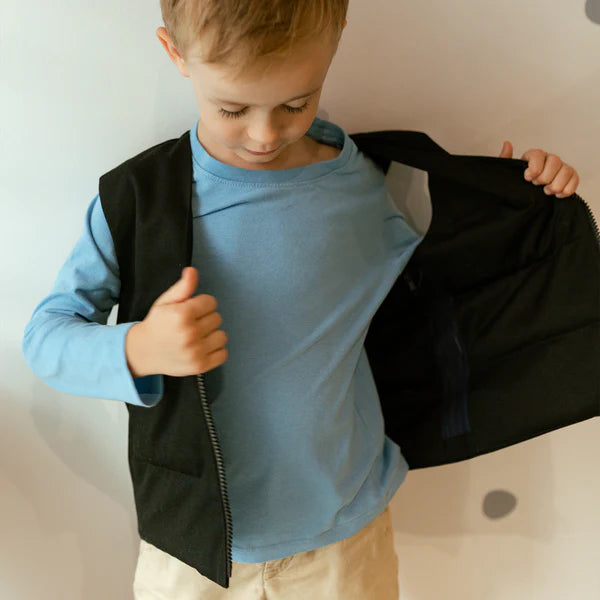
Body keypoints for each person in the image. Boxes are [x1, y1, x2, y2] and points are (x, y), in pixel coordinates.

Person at [22, 1, 581, 598]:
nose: (265, 135)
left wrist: (520, 191)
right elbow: (46, 338)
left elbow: (475, 257)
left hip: (344, 543)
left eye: (296, 104)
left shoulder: (377, 183)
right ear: (174, 53)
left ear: (337, 39)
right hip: (192, 548)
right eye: (232, 108)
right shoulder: (137, 202)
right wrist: (137, 348)